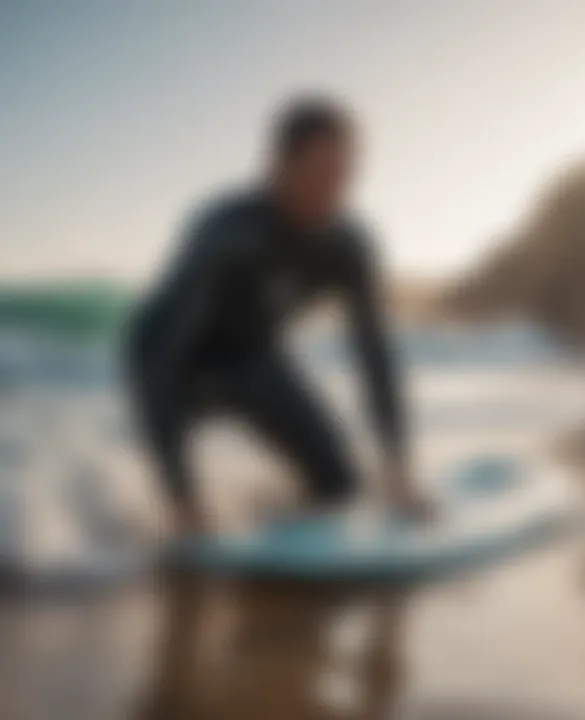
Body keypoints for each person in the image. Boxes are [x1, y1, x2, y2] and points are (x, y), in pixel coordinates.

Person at [126, 96, 428, 536]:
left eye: (346, 172)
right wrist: (182, 499)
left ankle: (264, 509)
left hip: (254, 357)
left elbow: (374, 352)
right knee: (184, 502)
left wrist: (398, 464)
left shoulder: (348, 245)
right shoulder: (227, 231)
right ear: (279, 165)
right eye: (323, 171)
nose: (336, 188)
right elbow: (162, 356)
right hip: (177, 357)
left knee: (342, 486)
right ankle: (181, 502)